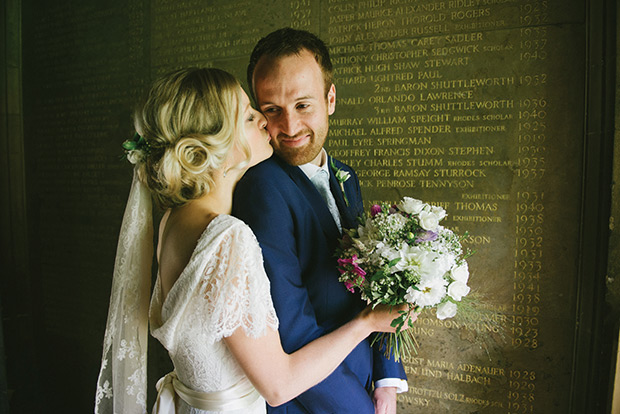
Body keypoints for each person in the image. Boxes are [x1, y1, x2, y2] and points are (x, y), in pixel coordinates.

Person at [94, 67, 414, 414]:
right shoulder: (228, 237)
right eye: (249, 116)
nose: (265, 121)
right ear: (210, 145)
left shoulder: (174, 219)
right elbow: (279, 386)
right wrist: (366, 323)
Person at [232, 28, 407, 414]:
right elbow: (289, 334)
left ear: (330, 99)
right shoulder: (261, 189)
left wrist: (387, 382)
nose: (290, 128)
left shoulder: (346, 176)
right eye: (272, 110)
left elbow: (375, 289)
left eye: (303, 105)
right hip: (314, 402)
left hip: (361, 381)